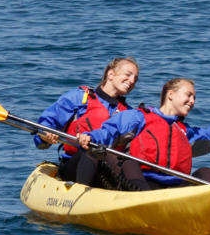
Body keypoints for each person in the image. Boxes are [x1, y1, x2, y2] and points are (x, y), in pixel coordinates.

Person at [77, 78, 210, 190]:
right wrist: (91, 138)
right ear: (171, 94)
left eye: (194, 98)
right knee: (129, 160)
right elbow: (110, 130)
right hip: (141, 184)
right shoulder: (139, 117)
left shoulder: (184, 130)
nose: (192, 101)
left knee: (208, 171)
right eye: (188, 95)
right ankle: (145, 202)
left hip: (174, 189)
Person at [34, 57, 140, 185]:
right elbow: (47, 124)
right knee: (93, 150)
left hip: (108, 169)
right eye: (128, 75)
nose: (132, 81)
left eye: (135, 79)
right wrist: (45, 135)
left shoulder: (129, 113)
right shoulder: (79, 98)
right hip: (74, 166)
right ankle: (81, 195)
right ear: (110, 74)